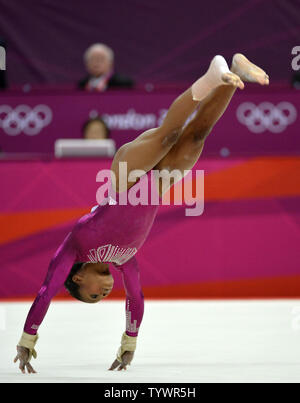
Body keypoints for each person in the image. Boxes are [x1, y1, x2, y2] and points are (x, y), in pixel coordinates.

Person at [14, 53, 269, 374]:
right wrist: (128, 342)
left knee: (170, 134)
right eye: (102, 297)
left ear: (77, 278)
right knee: (197, 135)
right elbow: (135, 298)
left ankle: (211, 74)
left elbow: (45, 291)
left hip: (124, 178)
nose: (104, 293)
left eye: (92, 295)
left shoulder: (75, 247)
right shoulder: (124, 261)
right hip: (159, 185)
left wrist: (28, 338)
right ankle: (232, 72)